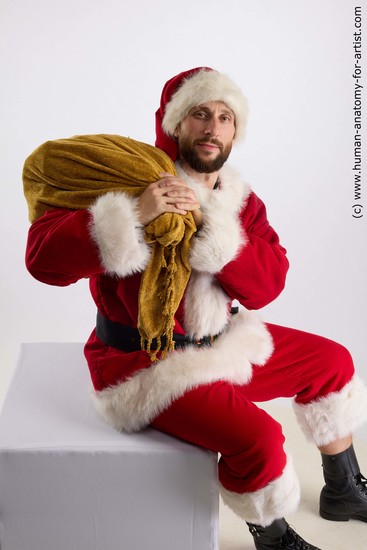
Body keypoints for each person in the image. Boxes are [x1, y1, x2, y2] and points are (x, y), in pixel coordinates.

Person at [24, 67, 367, 550]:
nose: (213, 127)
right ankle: (273, 537)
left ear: (234, 132)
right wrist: (134, 216)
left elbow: (267, 287)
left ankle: (344, 491)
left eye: (225, 117)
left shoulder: (235, 197)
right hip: (145, 363)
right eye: (200, 114)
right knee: (261, 440)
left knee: (333, 362)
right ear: (174, 123)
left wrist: (216, 231)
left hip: (220, 340)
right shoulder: (126, 179)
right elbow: (42, 262)